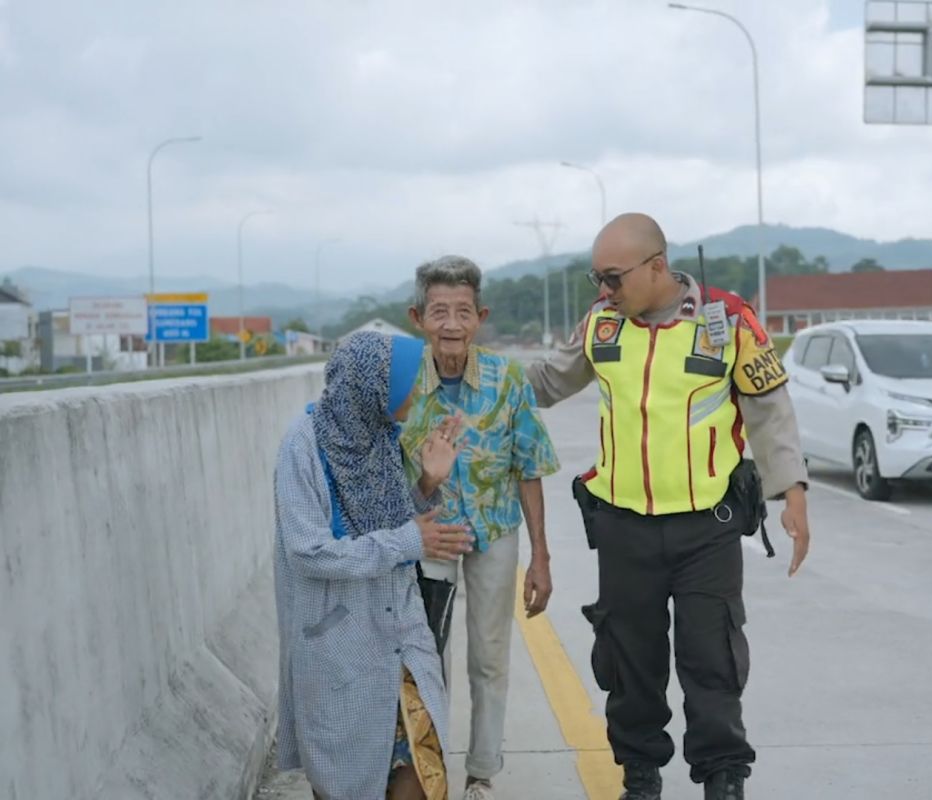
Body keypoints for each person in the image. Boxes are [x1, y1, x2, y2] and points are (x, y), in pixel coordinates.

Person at [524, 213, 813, 800]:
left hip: (708, 528)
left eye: (612, 277)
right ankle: (640, 775)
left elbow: (769, 409)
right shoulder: (603, 325)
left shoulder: (727, 321)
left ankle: (724, 779)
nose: (604, 290)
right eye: (596, 279)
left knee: (712, 660)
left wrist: (794, 494)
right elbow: (547, 382)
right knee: (631, 662)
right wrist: (467, 379)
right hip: (623, 526)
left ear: (656, 266)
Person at [272, 330, 475, 800]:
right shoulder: (301, 448)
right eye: (409, 381)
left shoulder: (382, 437)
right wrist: (409, 540)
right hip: (341, 643)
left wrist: (427, 481)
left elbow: (390, 521)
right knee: (347, 776)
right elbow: (309, 550)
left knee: (424, 770)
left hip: (401, 635)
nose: (418, 390)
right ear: (374, 385)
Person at [399, 255, 560, 800]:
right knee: (427, 655)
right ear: (417, 316)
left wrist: (540, 556)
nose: (451, 324)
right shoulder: (401, 383)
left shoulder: (508, 378)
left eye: (462, 311)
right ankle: (430, 766)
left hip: (494, 531)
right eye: (438, 311)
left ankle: (482, 773)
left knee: (490, 655)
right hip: (430, 533)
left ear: (480, 315)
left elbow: (529, 467)